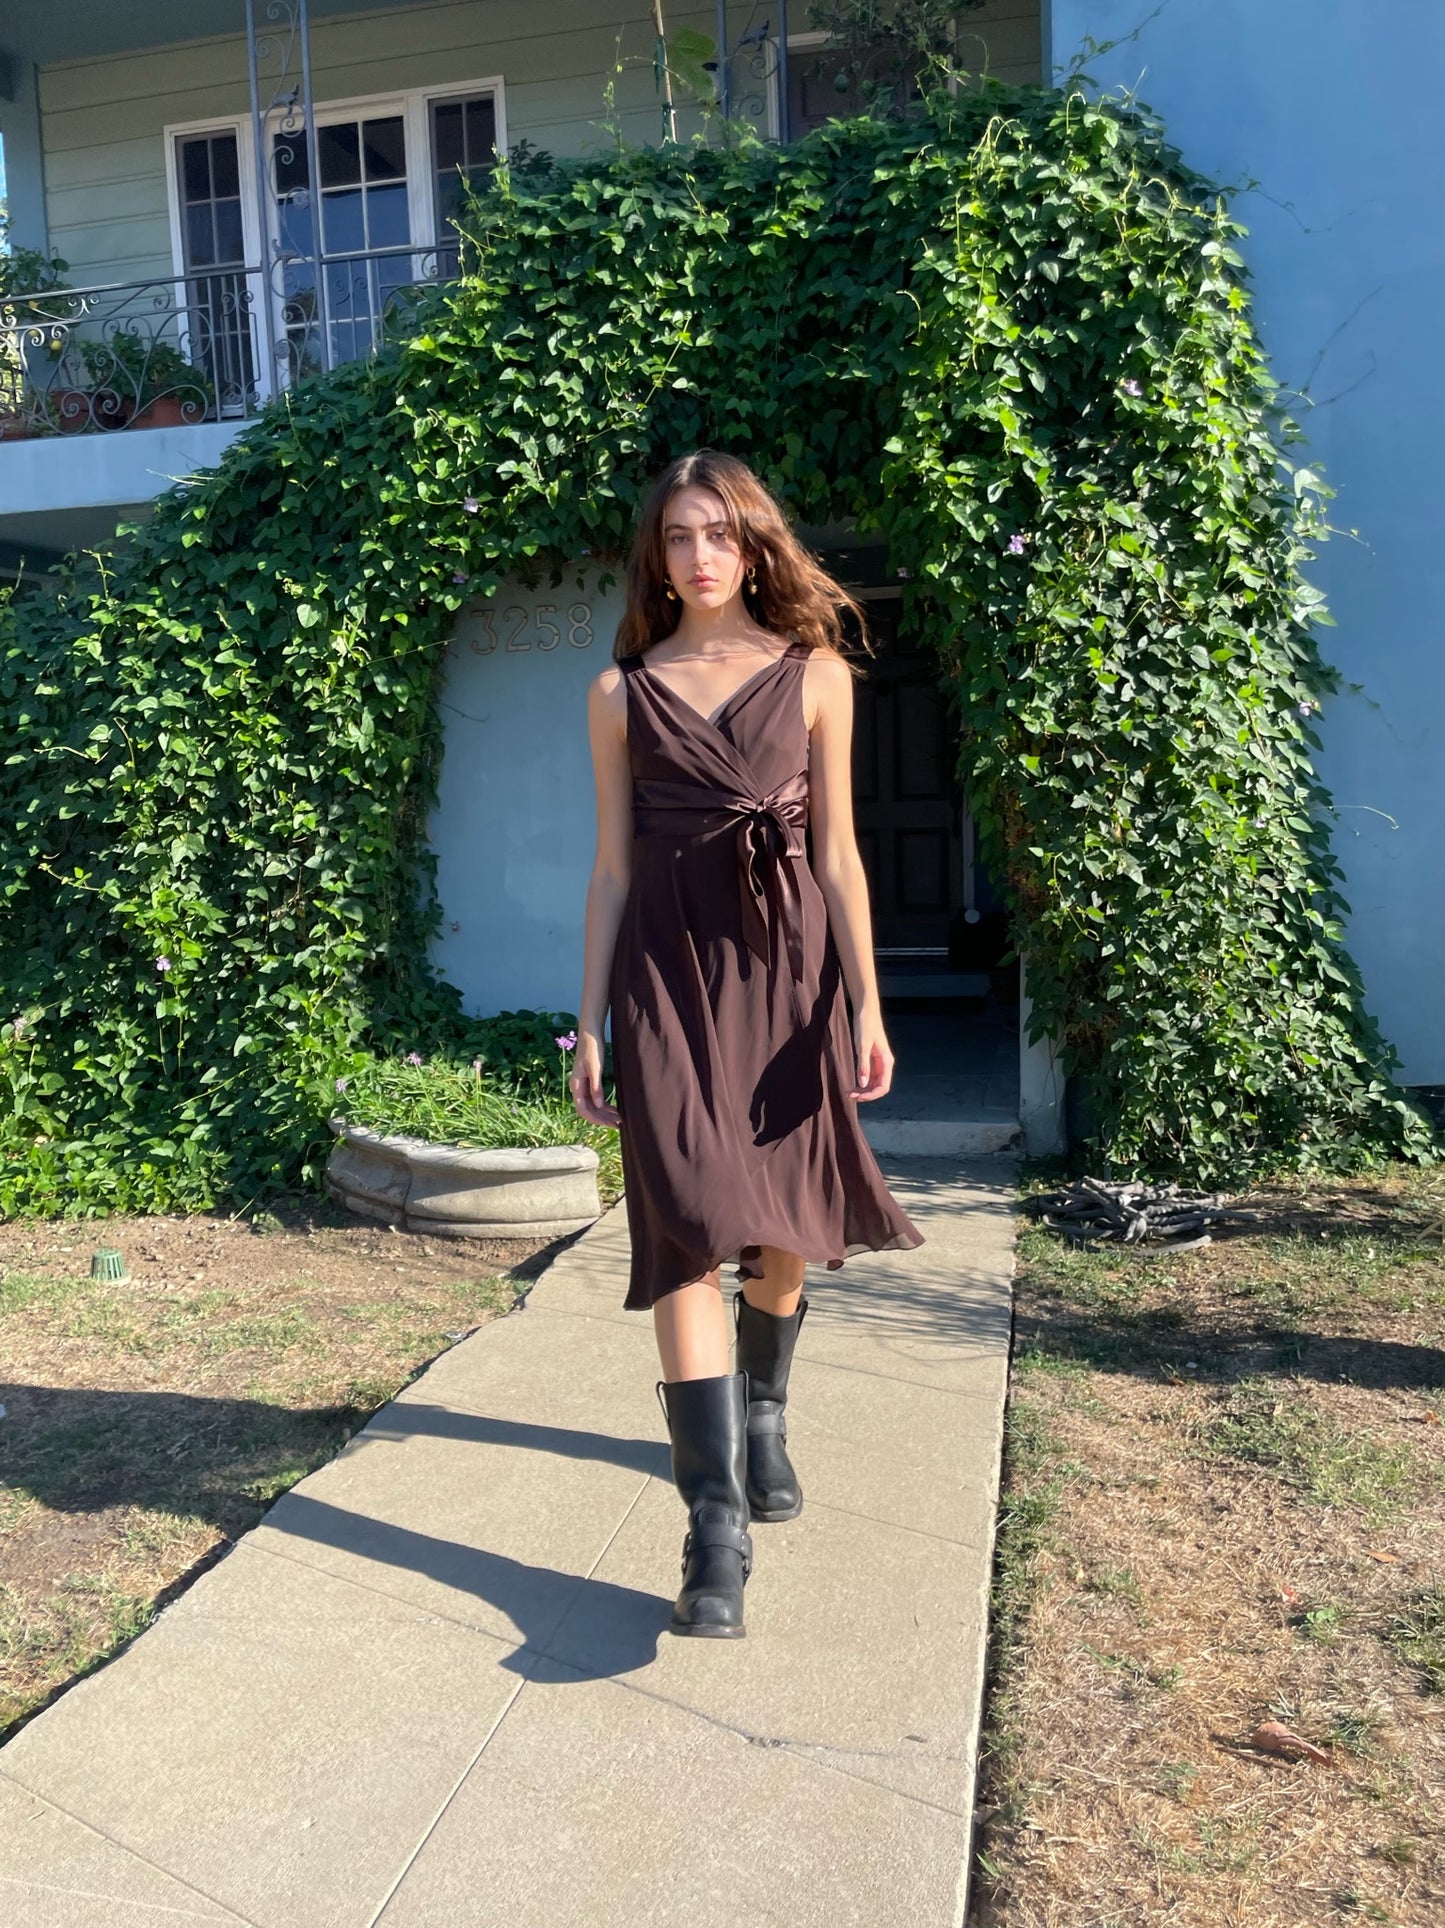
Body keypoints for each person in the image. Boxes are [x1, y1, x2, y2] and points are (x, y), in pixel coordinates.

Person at [569, 449, 926, 1640]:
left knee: (776, 1224)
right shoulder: (620, 692)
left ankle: (762, 1409)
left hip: (788, 978)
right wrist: (590, 1021)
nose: (699, 553)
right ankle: (709, 1525)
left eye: (718, 531)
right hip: (667, 978)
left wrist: (867, 1003)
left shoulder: (814, 674)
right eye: (677, 535)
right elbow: (613, 866)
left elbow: (837, 853)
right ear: (654, 556)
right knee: (684, 1221)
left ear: (753, 542)